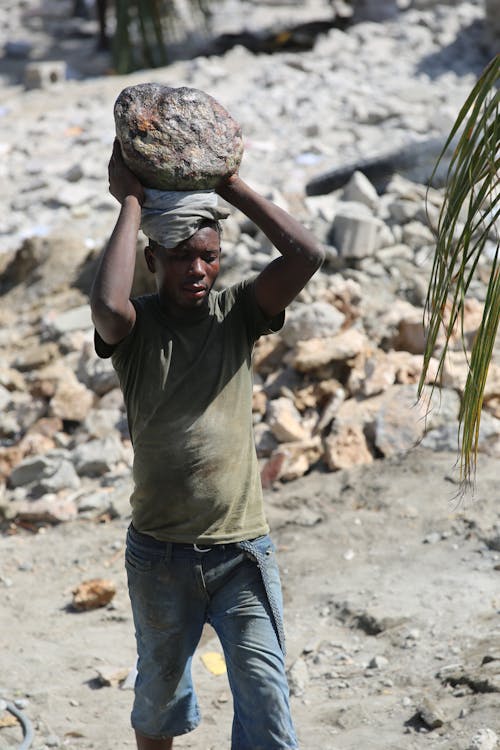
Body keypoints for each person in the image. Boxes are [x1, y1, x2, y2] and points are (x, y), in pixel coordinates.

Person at [90, 138, 324, 750]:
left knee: (265, 693)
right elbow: (107, 305)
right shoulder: (138, 330)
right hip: (160, 555)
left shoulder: (238, 315)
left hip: (240, 552)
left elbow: (307, 255)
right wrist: (131, 202)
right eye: (181, 257)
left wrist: (230, 186)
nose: (197, 270)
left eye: (209, 257)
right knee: (160, 696)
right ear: (154, 259)